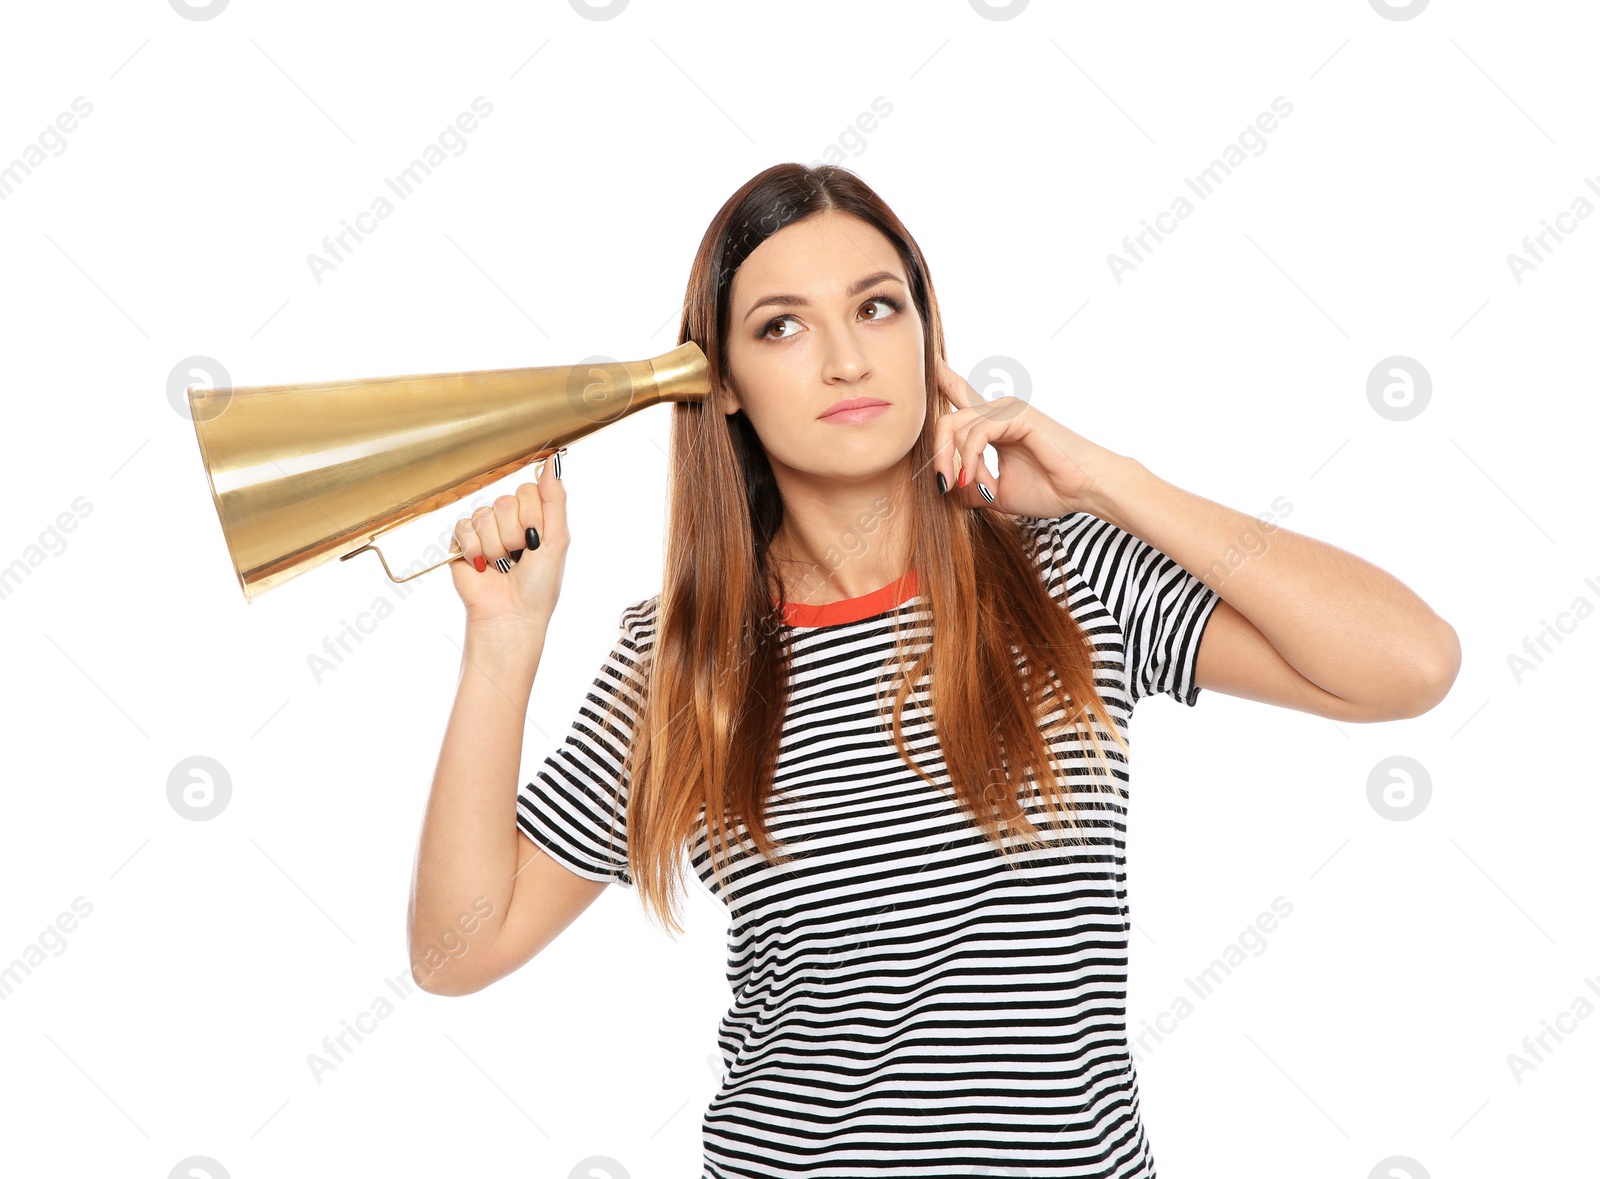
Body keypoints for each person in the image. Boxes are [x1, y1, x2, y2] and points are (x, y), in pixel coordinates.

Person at [408, 164, 1461, 1178]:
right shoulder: (686, 655)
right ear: (720, 384)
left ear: (925, 335)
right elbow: (459, 950)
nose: (845, 360)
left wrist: (1112, 484)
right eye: (782, 325)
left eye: (876, 309)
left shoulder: (1071, 575)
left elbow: (1407, 666)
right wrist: (504, 643)